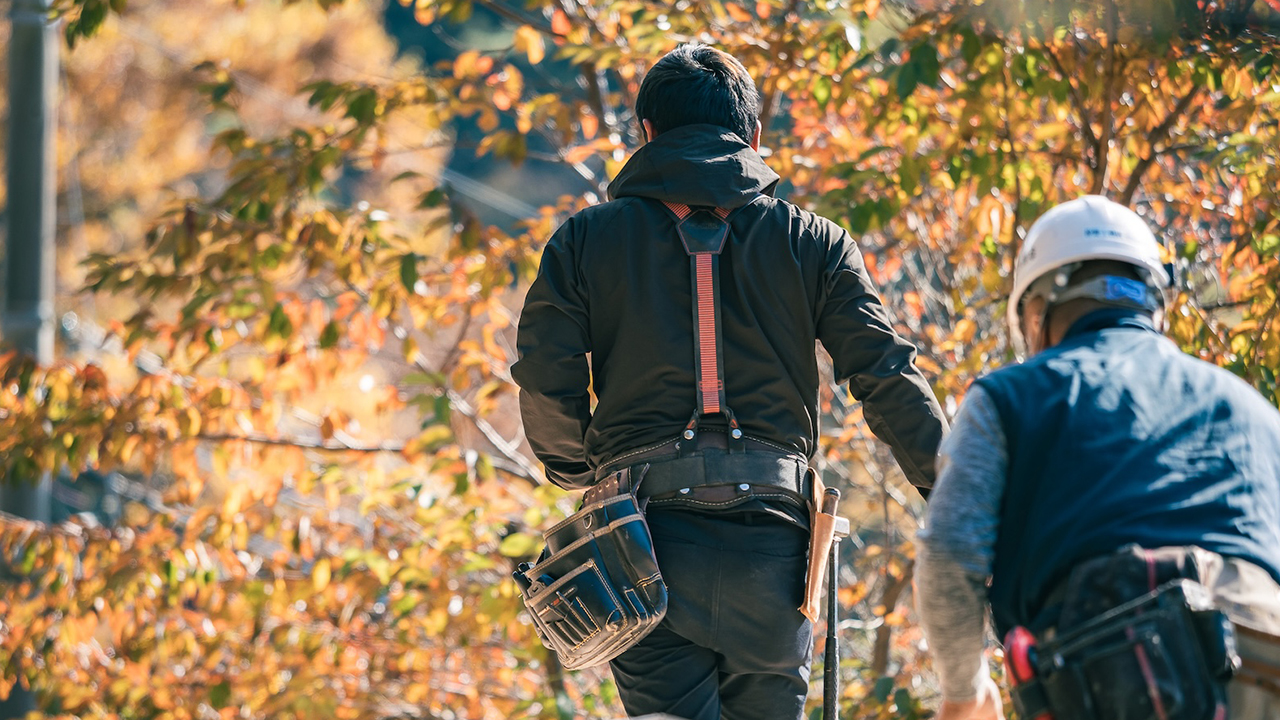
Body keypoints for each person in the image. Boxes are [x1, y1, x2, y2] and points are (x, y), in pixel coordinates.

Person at [512, 44, 947, 720]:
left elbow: (544, 378)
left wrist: (574, 467)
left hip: (641, 550)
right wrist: (955, 499)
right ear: (754, 138)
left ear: (647, 135)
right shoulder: (817, 244)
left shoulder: (582, 242)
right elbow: (886, 374)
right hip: (774, 552)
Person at [914, 195, 1280, 720]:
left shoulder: (1012, 397)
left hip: (1119, 663)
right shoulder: (1255, 410)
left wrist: (965, 692)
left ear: (1036, 311)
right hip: (1264, 656)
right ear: (1154, 301)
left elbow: (950, 553)